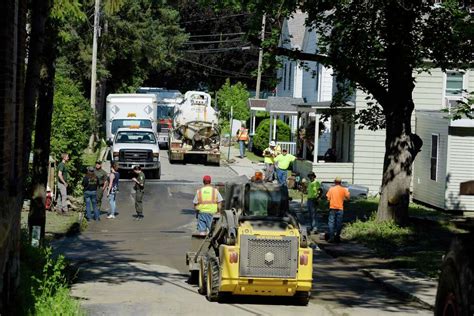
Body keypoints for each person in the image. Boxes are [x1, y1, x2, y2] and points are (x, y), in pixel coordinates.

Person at [326, 177, 350, 242]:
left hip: (332, 208)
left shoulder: (331, 189)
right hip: (340, 208)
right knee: (339, 223)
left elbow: (328, 199)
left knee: (331, 223)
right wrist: (343, 199)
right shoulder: (344, 189)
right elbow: (348, 198)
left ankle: (331, 237)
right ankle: (337, 237)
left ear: (335, 182)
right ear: (340, 182)